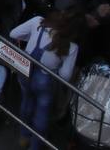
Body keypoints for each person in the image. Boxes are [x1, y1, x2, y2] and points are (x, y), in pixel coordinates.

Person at [8, 11, 79, 150]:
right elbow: (65, 76)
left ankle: (24, 136)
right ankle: (35, 146)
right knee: (42, 112)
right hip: (44, 80)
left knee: (26, 101)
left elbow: (13, 33)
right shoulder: (72, 46)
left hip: (25, 70)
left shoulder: (37, 21)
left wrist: (32, 38)